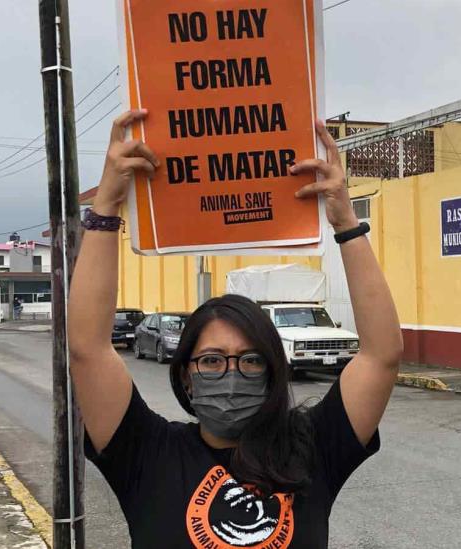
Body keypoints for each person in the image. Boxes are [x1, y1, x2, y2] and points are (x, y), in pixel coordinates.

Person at [68, 110, 403, 548]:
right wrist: (106, 208)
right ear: (186, 372)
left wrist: (346, 223)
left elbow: (381, 356)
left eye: (250, 360)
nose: (231, 373)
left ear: (272, 370)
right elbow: (88, 349)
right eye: (211, 360)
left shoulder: (312, 447)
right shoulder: (147, 452)